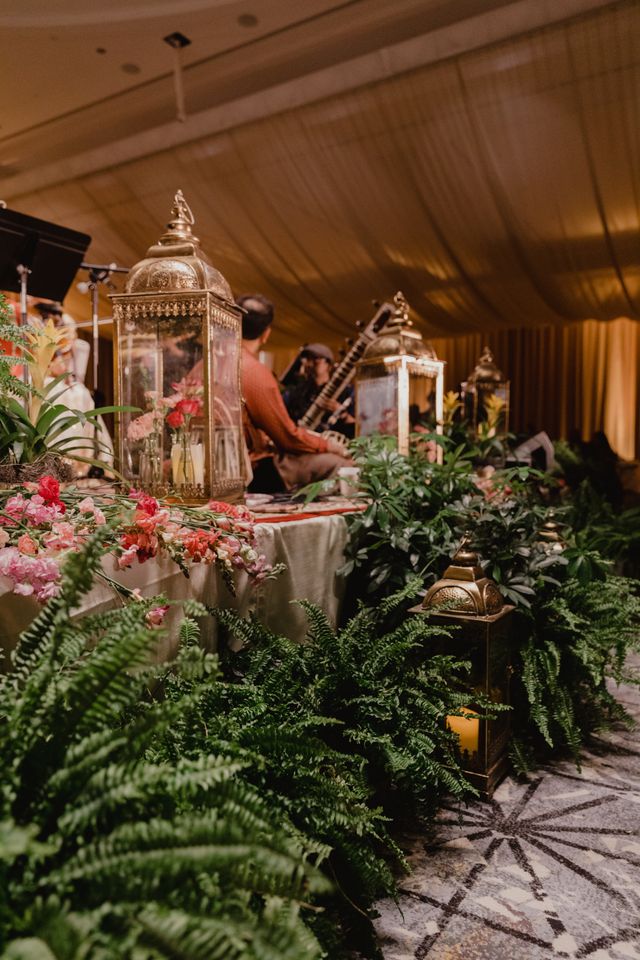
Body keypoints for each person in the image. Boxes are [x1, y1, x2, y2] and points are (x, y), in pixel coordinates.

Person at [239, 294, 352, 493]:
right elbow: (287, 436)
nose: (310, 364)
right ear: (266, 334)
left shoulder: (209, 361)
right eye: (309, 359)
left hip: (227, 461)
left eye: (316, 360)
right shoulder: (255, 373)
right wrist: (327, 445)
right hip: (252, 468)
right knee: (342, 465)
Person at [283, 342, 355, 439]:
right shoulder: (296, 392)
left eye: (315, 359)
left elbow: (356, 427)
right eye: (307, 359)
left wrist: (340, 412)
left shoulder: (346, 392)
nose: (309, 363)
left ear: (328, 364)